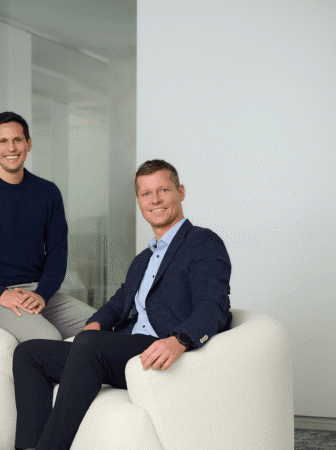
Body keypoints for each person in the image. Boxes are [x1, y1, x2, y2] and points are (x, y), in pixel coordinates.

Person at [12, 160, 232, 450]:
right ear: (139, 201)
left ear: (180, 192)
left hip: (158, 348)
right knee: (29, 353)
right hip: (123, 349)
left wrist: (179, 340)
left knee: (90, 345)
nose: (155, 200)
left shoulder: (202, 242)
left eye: (163, 190)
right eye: (146, 193)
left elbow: (213, 304)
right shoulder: (143, 259)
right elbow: (118, 303)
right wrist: (96, 323)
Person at [0, 111, 93, 343]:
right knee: (47, 338)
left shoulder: (48, 193)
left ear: (28, 143)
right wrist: (0, 294)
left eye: (17, 140)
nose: (11, 148)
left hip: (38, 292)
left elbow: (57, 253)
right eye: (3, 141)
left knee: (103, 326)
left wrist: (42, 294)